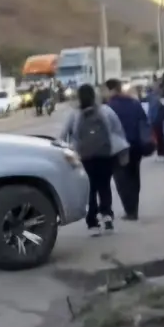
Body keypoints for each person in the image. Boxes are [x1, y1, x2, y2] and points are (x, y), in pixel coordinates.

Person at [60, 83, 129, 235]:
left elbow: (63, 135)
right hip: (104, 154)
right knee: (104, 186)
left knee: (89, 189)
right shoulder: (105, 110)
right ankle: (107, 217)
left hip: (84, 156)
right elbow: (118, 131)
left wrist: (68, 149)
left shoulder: (74, 114)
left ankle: (92, 223)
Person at [105, 78, 151, 220]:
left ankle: (129, 210)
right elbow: (144, 121)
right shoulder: (134, 103)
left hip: (119, 148)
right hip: (136, 145)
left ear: (111, 90)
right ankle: (134, 208)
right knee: (134, 176)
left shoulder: (108, 107)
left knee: (121, 179)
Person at [149, 75, 164, 161]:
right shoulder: (152, 95)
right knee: (158, 134)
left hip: (159, 116)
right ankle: (161, 152)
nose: (154, 86)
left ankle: (163, 152)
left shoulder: (161, 94)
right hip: (155, 117)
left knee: (161, 134)